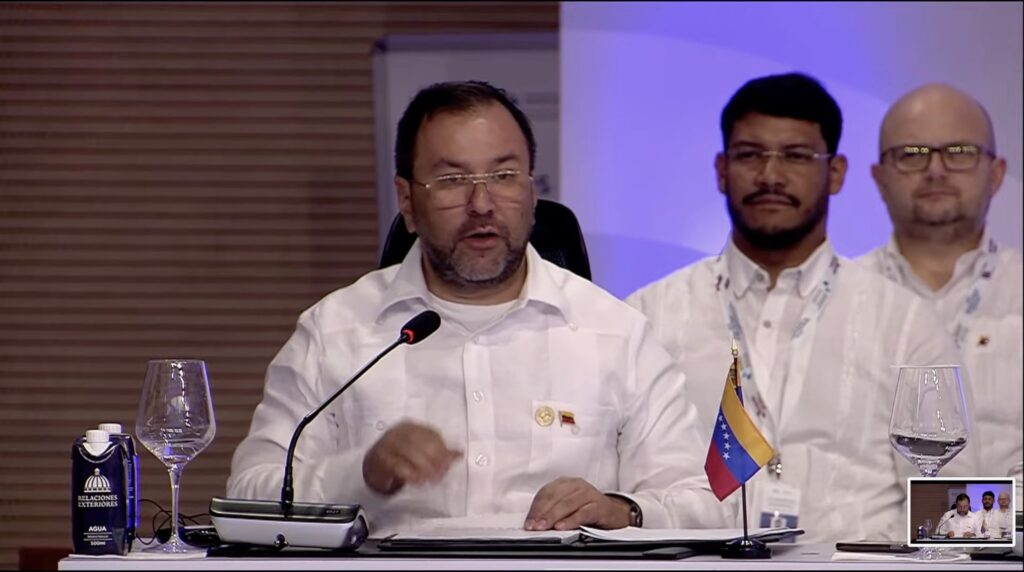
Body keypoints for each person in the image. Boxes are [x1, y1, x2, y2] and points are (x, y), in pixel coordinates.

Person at [226, 80, 728, 535]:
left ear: (532, 191)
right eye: (451, 181)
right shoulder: (337, 330)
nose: (482, 204)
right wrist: (360, 472)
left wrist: (620, 509)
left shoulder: (615, 333)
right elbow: (248, 494)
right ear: (406, 201)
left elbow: (699, 504)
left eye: (505, 175)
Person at [626, 72, 962, 543]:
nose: (770, 176)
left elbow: (952, 501)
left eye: (797, 156)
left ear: (837, 172)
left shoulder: (906, 324)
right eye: (750, 156)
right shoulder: (649, 317)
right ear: (721, 170)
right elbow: (625, 491)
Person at [861, 83, 1023, 484]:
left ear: (997, 174)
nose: (935, 169)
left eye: (959, 153)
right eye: (912, 155)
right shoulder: (840, 301)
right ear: (879, 179)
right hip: (867, 544)